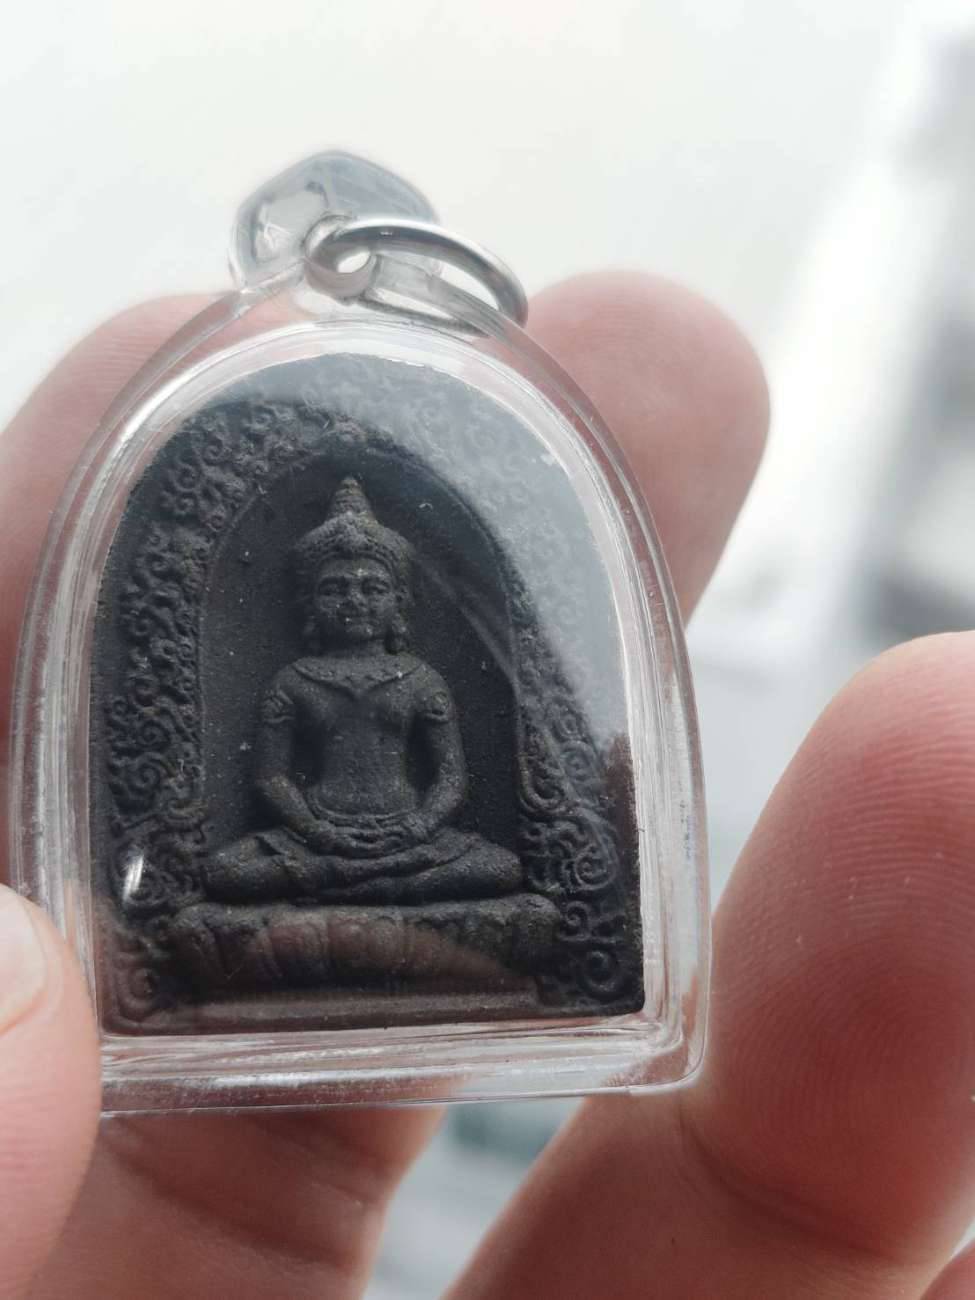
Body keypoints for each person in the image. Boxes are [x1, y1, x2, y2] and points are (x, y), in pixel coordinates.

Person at [2, 274, 974, 1299]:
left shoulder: (420, 680)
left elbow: (452, 779)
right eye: (336, 588)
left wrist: (409, 828)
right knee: (228, 885)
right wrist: (319, 828)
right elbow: (277, 778)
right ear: (307, 601)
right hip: (308, 848)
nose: (353, 597)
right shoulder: (294, 682)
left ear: (396, 597)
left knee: (499, 876)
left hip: (417, 847)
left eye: (370, 585)